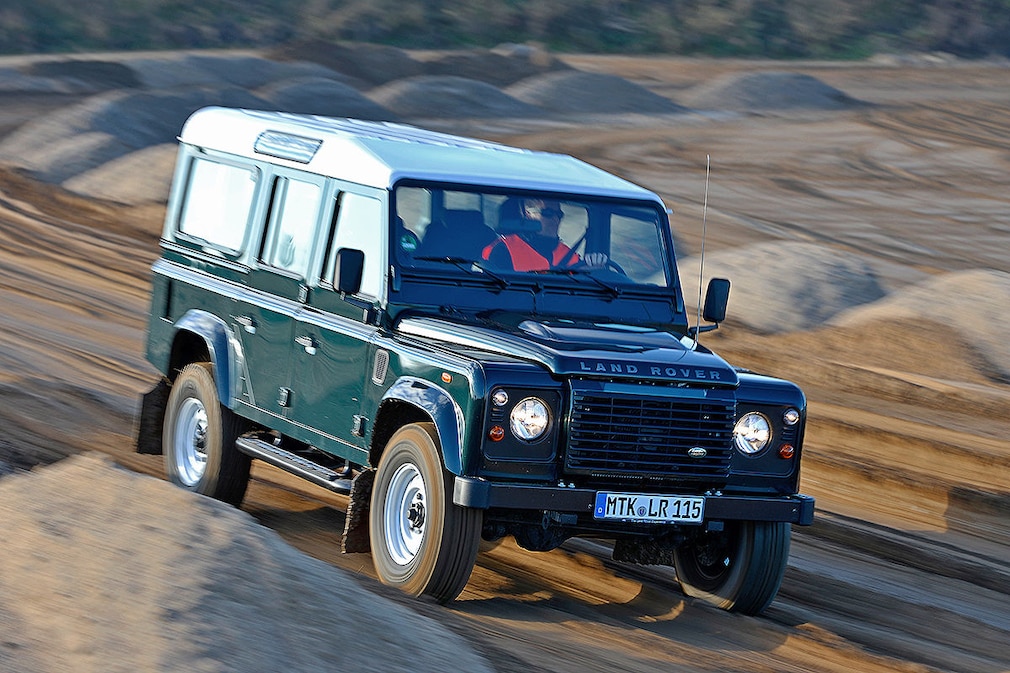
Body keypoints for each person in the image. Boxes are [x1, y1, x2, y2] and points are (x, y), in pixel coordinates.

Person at [482, 198, 607, 272]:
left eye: (559, 215)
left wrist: (593, 269)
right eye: (548, 213)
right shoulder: (503, 250)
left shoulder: (568, 255)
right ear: (528, 214)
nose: (556, 220)